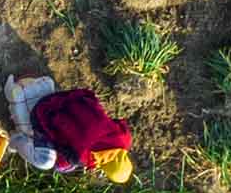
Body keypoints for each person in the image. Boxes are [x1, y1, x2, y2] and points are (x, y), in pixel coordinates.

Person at [7, 72, 135, 181]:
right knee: (47, 162)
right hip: (43, 112)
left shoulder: (124, 138)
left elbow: (117, 122)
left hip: (71, 98)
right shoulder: (85, 157)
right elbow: (61, 158)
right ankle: (16, 141)